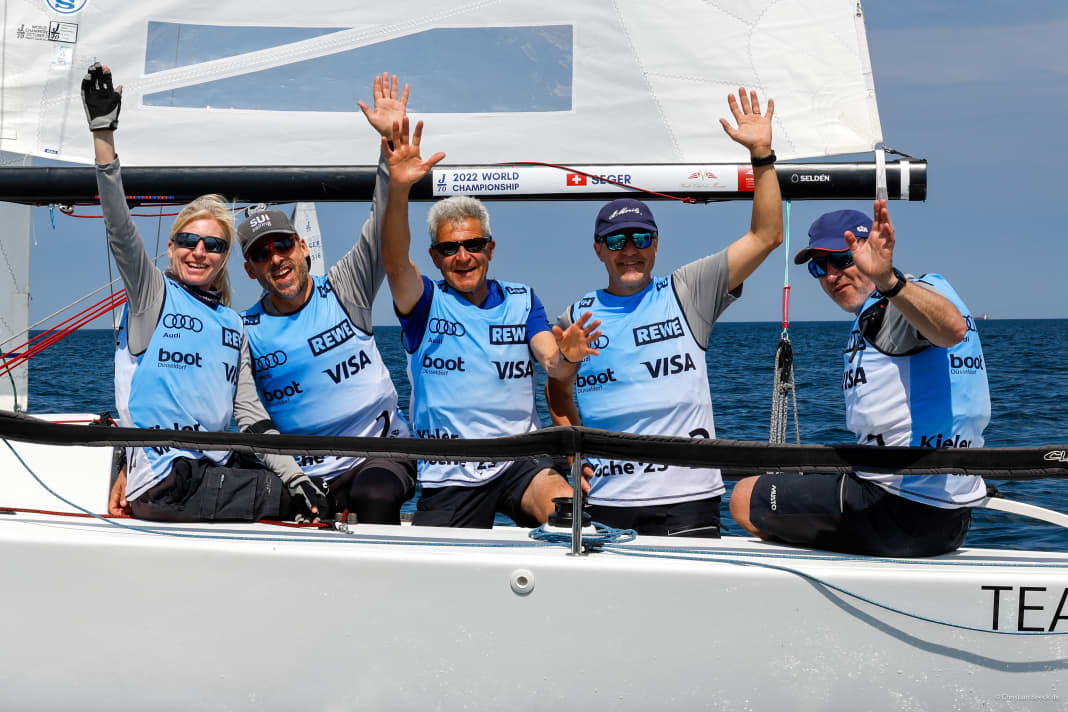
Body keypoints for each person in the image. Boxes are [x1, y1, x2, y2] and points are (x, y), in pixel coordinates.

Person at [85, 63, 322, 522]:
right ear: (170, 248)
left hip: (211, 466)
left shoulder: (233, 324)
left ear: (225, 256)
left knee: (312, 491)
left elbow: (251, 418)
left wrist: (297, 476)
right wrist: (103, 136)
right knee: (296, 504)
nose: (199, 251)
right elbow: (119, 229)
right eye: (189, 242)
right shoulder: (153, 295)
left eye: (214, 245)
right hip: (167, 481)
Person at [545, 88, 783, 537]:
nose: (629, 251)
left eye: (640, 239)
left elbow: (767, 235)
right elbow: (557, 392)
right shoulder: (575, 316)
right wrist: (571, 456)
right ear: (599, 250)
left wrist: (762, 156)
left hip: (688, 500)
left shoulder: (688, 290)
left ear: (656, 244)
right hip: (608, 502)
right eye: (616, 241)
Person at [729, 203, 990, 557]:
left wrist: (888, 281)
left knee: (744, 497)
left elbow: (951, 329)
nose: (831, 275)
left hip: (894, 508)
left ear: (872, 251)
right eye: (820, 266)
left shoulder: (891, 305)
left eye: (842, 259)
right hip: (954, 514)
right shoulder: (930, 289)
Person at [379, 117, 602, 528]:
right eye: (450, 248)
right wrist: (398, 187)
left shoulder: (522, 299)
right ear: (435, 257)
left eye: (474, 245)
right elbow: (393, 262)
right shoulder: (426, 302)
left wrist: (569, 357)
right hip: (450, 471)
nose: (463, 257)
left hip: (519, 462)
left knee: (570, 514)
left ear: (491, 249)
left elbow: (552, 363)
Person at [233, 73, 415, 524]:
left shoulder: (344, 288)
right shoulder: (244, 330)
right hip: (302, 470)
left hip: (378, 453)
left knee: (375, 494)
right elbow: (240, 412)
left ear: (303, 248)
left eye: (282, 246)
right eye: (261, 254)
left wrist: (388, 148)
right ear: (249, 269)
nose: (275, 259)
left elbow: (379, 224)